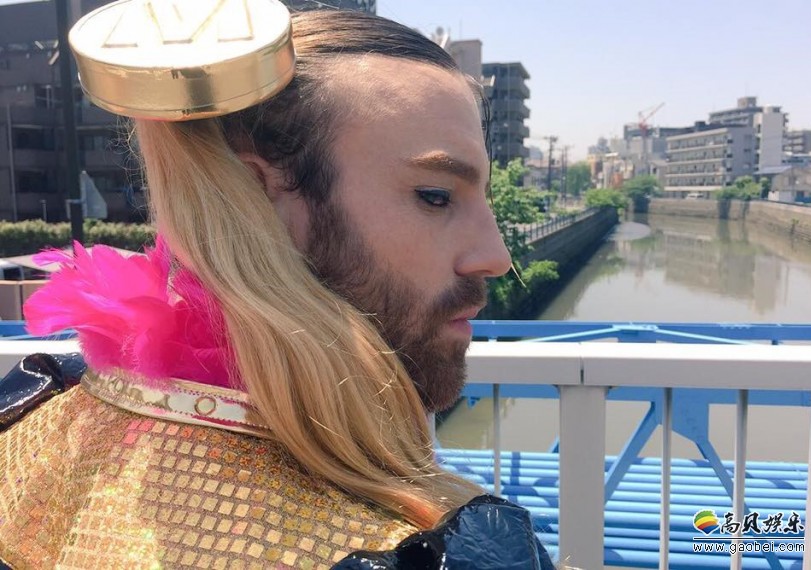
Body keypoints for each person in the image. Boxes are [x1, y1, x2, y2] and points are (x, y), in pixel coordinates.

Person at [0, 1, 556, 568]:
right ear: (254, 197)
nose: (496, 257)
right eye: (435, 196)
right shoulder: (436, 550)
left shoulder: (34, 415)